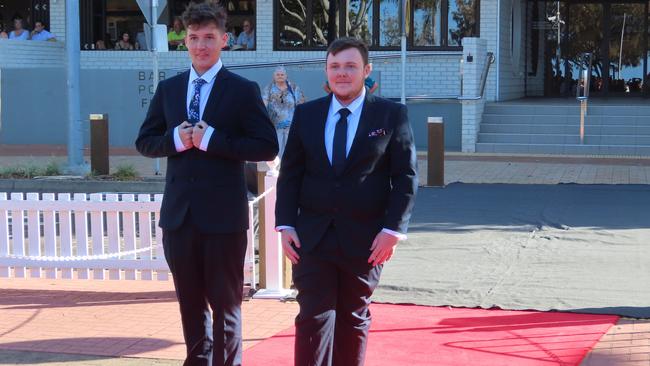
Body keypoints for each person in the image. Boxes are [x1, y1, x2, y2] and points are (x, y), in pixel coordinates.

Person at [135, 1, 278, 365]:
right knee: (190, 305)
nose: (201, 45)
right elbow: (145, 141)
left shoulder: (242, 90)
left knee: (226, 306)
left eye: (209, 37)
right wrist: (176, 140)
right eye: (194, 37)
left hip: (223, 221)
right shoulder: (169, 89)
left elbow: (266, 145)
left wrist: (215, 141)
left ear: (224, 40)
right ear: (185, 40)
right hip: (179, 219)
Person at [275, 37, 417, 366]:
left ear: (366, 70)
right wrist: (285, 224)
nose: (342, 73)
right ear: (326, 70)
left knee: (353, 317)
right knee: (312, 316)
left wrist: (393, 230)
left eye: (350, 66)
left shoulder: (391, 115)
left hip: (367, 240)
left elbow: (406, 177)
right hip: (312, 237)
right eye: (335, 66)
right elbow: (291, 173)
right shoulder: (306, 114)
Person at [262, 66, 305, 158]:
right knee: (276, 153)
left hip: (292, 126)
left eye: (282, 74)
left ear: (286, 76)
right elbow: (263, 104)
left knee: (292, 152)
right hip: (275, 127)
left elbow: (301, 104)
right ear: (274, 76)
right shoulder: (269, 88)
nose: (280, 76)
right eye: (277, 74)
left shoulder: (294, 88)